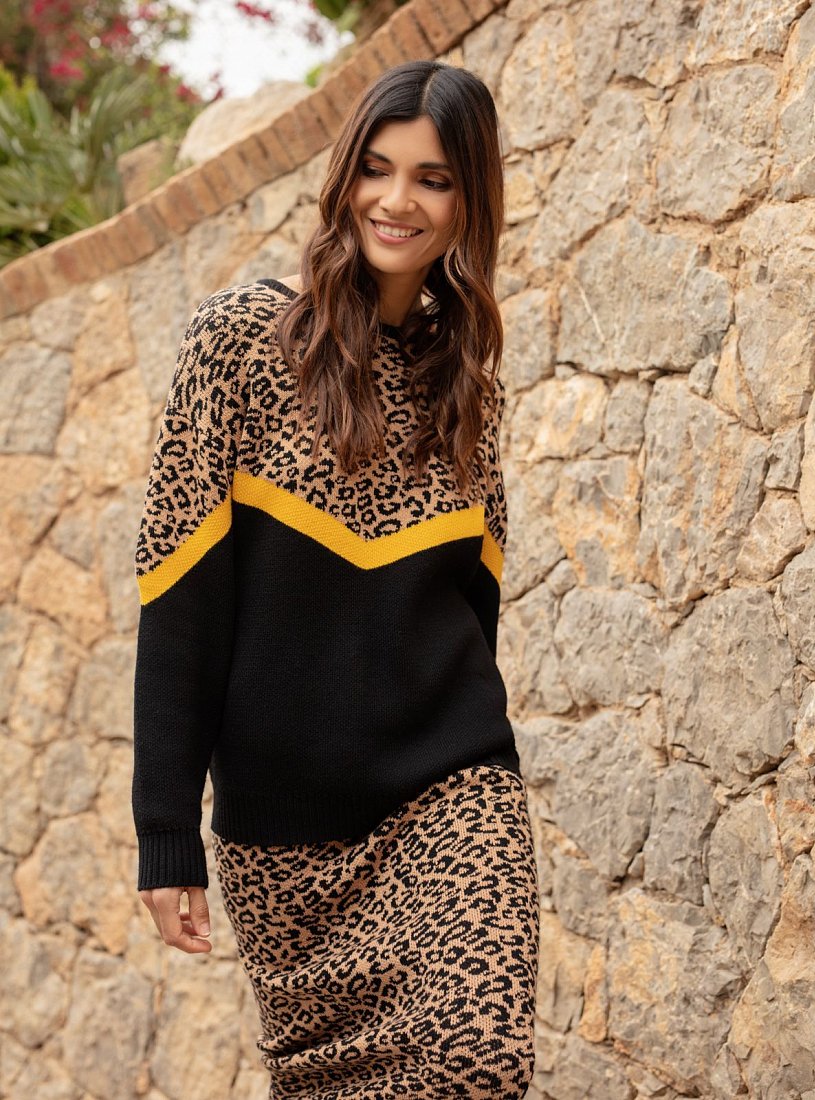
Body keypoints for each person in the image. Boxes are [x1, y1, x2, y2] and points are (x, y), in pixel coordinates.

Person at [131, 58, 540, 1099]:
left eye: (434, 179)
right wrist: (165, 829)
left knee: (480, 1059)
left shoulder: (467, 385)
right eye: (377, 168)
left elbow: (475, 606)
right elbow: (179, 593)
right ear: (344, 176)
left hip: (450, 790)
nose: (397, 200)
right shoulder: (238, 342)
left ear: (469, 201)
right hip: (286, 829)